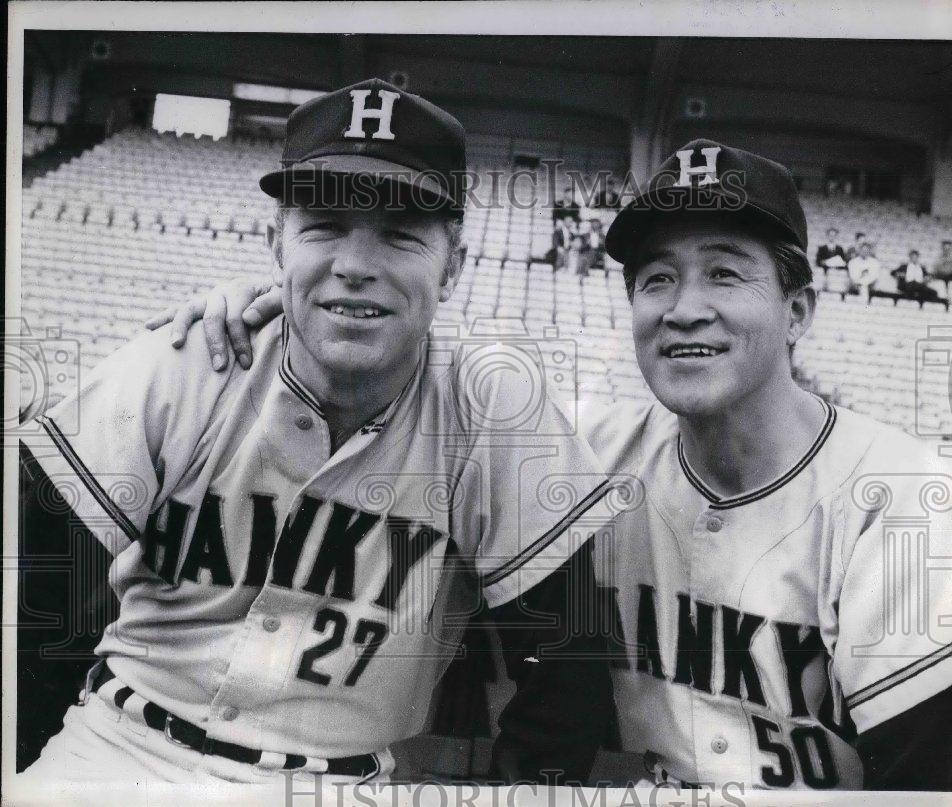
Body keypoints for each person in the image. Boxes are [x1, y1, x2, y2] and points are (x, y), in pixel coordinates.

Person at [158, 139, 952, 792]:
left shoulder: (906, 498)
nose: (684, 305)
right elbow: (414, 393)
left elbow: (925, 787)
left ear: (798, 308)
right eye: (657, 277)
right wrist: (269, 312)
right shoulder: (587, 454)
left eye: (725, 272)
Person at [16, 78, 616, 787]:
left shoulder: (492, 412)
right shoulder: (186, 363)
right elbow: (33, 604)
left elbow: (569, 672)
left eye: (399, 234)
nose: (356, 266)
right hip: (117, 748)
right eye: (324, 225)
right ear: (277, 243)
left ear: (452, 266)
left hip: (336, 782)